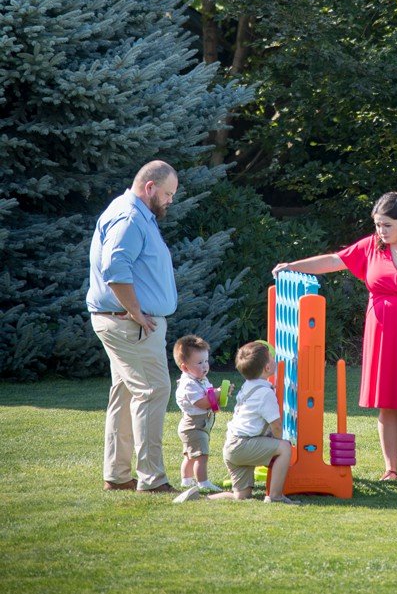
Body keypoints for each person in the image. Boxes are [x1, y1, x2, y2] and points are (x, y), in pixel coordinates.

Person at [273, 192, 397, 481]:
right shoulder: (371, 247)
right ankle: (391, 470)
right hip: (381, 331)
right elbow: (334, 260)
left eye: (387, 225)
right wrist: (293, 265)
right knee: (386, 402)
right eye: (377, 225)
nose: (381, 231)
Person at [86, 159, 181, 493]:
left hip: (125, 323)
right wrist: (138, 313)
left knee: (126, 395)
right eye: (168, 193)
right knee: (154, 391)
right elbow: (115, 268)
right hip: (131, 326)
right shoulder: (129, 216)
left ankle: (117, 475)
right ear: (150, 187)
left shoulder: (136, 214)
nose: (170, 200)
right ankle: (152, 479)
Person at [181, 339, 298, 503]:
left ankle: (201, 499)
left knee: (241, 496)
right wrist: (277, 442)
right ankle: (276, 496)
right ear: (267, 368)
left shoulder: (249, 385)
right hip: (243, 445)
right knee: (285, 448)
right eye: (272, 357)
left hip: (232, 448)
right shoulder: (266, 394)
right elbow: (276, 425)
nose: (274, 358)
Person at [172, 334, 222, 496]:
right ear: (185, 367)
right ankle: (203, 482)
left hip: (198, 424)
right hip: (193, 425)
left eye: (206, 361)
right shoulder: (188, 384)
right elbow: (202, 403)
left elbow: (209, 396)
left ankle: (186, 479)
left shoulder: (200, 379)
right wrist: (217, 394)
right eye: (199, 363)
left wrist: (219, 394)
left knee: (191, 455)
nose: (205, 366)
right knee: (201, 455)